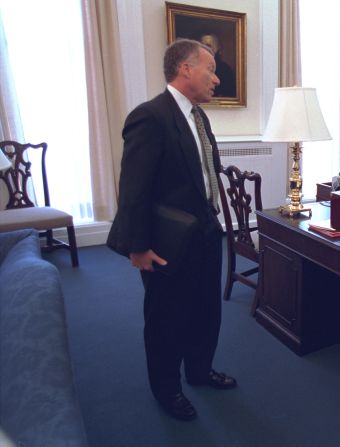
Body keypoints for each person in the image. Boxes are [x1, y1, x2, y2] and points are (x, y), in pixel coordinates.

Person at [107, 39, 235, 421]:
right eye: (210, 69)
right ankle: (167, 390)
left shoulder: (199, 116)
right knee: (166, 319)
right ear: (185, 69)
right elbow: (134, 187)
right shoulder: (150, 116)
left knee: (207, 311)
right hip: (168, 243)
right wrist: (138, 245)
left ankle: (199, 371)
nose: (216, 78)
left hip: (207, 233)